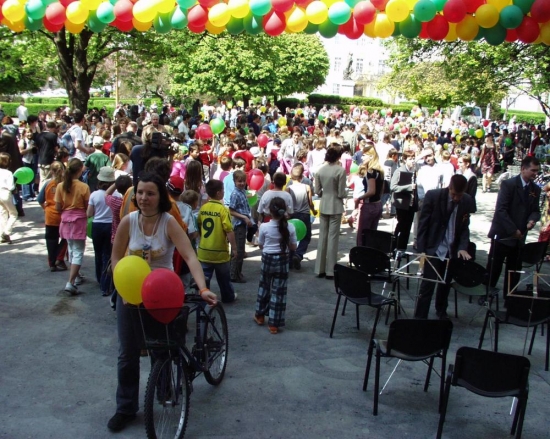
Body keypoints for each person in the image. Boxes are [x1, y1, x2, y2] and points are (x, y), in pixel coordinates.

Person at [107, 172, 217, 433]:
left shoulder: (168, 222)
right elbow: (116, 257)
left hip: (162, 294)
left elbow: (189, 256)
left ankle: (166, 392)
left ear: (160, 197)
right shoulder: (128, 221)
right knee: (127, 353)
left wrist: (202, 288)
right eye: (140, 192)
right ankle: (125, 408)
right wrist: (122, 286)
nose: (143, 198)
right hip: (130, 295)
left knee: (163, 350)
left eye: (150, 193)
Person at [414, 174, 476, 319]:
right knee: (428, 284)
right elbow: (423, 224)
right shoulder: (433, 196)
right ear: (449, 188)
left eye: (459, 195)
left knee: (446, 283)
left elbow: (464, 227)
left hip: (451, 249)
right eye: (454, 195)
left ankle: (441, 312)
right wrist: (421, 250)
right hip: (434, 247)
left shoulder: (466, 201)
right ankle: (420, 317)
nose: (456, 198)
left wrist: (462, 247)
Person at [487, 156, 541, 301]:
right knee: (494, 267)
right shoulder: (508, 184)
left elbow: (536, 210)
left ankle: (510, 297)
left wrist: (532, 220)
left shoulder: (535, 189)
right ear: (523, 169)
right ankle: (487, 294)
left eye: (537, 171)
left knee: (514, 269)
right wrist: (513, 230)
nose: (535, 174)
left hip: (520, 237)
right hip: (503, 234)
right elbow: (501, 210)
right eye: (533, 170)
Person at [254, 197, 297, 334]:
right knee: (279, 291)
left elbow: (260, 245)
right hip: (282, 259)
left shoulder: (264, 227)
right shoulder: (290, 227)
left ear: (270, 211)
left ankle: (260, 315)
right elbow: (293, 247)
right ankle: (274, 323)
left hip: (267, 258)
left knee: (264, 287)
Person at [197, 179, 238, 304]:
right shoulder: (223, 210)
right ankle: (228, 296)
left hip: (204, 251)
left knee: (204, 278)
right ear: (219, 193)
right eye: (223, 190)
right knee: (224, 278)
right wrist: (234, 248)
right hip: (220, 252)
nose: (224, 192)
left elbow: (199, 225)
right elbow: (229, 230)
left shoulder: (203, 208)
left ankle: (205, 298)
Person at [55, 158, 90, 295]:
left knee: (71, 248)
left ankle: (76, 275)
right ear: (80, 170)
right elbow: (87, 206)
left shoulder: (60, 186)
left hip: (65, 219)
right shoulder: (84, 187)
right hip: (79, 220)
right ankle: (70, 281)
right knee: (78, 251)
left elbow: (58, 206)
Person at [314, 146, 347, 279]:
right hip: (335, 205)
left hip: (324, 204)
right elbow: (341, 192)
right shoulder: (340, 170)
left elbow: (317, 191)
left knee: (322, 236)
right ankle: (330, 270)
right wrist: (345, 194)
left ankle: (319, 269)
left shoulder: (320, 170)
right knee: (333, 238)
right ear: (338, 157)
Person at [87, 167, 115, 296]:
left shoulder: (94, 195)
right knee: (107, 255)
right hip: (110, 225)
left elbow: (89, 213)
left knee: (98, 253)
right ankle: (106, 284)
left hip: (97, 225)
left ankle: (99, 279)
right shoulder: (117, 195)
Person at [37, 161, 67, 270]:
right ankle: (59, 257)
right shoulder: (66, 184)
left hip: (50, 215)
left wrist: (46, 208)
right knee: (66, 237)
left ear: (51, 171)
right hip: (63, 215)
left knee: (51, 240)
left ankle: (52, 263)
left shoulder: (48, 183)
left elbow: (40, 199)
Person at [286, 163, 316, 270]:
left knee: (291, 236)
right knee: (306, 236)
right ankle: (298, 255)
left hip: (292, 214)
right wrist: (314, 211)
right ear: (302, 175)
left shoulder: (288, 189)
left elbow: (287, 203)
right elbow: (310, 202)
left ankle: (290, 260)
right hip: (304, 215)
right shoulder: (307, 187)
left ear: (291, 175)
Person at [355, 143, 384, 246]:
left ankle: (361, 253)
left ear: (371, 156)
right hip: (378, 204)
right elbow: (382, 190)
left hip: (369, 205)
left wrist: (359, 198)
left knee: (362, 235)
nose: (362, 157)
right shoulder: (380, 171)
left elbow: (372, 191)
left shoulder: (371, 172)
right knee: (372, 234)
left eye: (364, 155)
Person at [228, 170, 254, 283]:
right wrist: (243, 217)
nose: (242, 183)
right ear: (234, 181)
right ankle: (234, 274)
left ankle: (236, 272)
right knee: (238, 250)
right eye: (239, 181)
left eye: (243, 181)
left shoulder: (242, 191)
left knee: (241, 249)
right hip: (238, 225)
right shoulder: (235, 194)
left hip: (243, 224)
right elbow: (231, 210)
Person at [391, 150, 418, 252]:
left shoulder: (414, 171)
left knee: (408, 226)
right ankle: (395, 246)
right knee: (401, 226)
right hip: (401, 203)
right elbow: (393, 187)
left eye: (413, 158)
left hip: (411, 203)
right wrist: (409, 187)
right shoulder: (399, 171)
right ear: (405, 160)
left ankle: (403, 248)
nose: (413, 161)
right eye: (410, 159)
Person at [0, 152, 17, 244]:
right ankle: (6, 232)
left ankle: (1, 235)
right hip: (5, 194)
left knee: (3, 213)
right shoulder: (9, 173)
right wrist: (15, 183)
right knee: (13, 213)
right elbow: (11, 187)